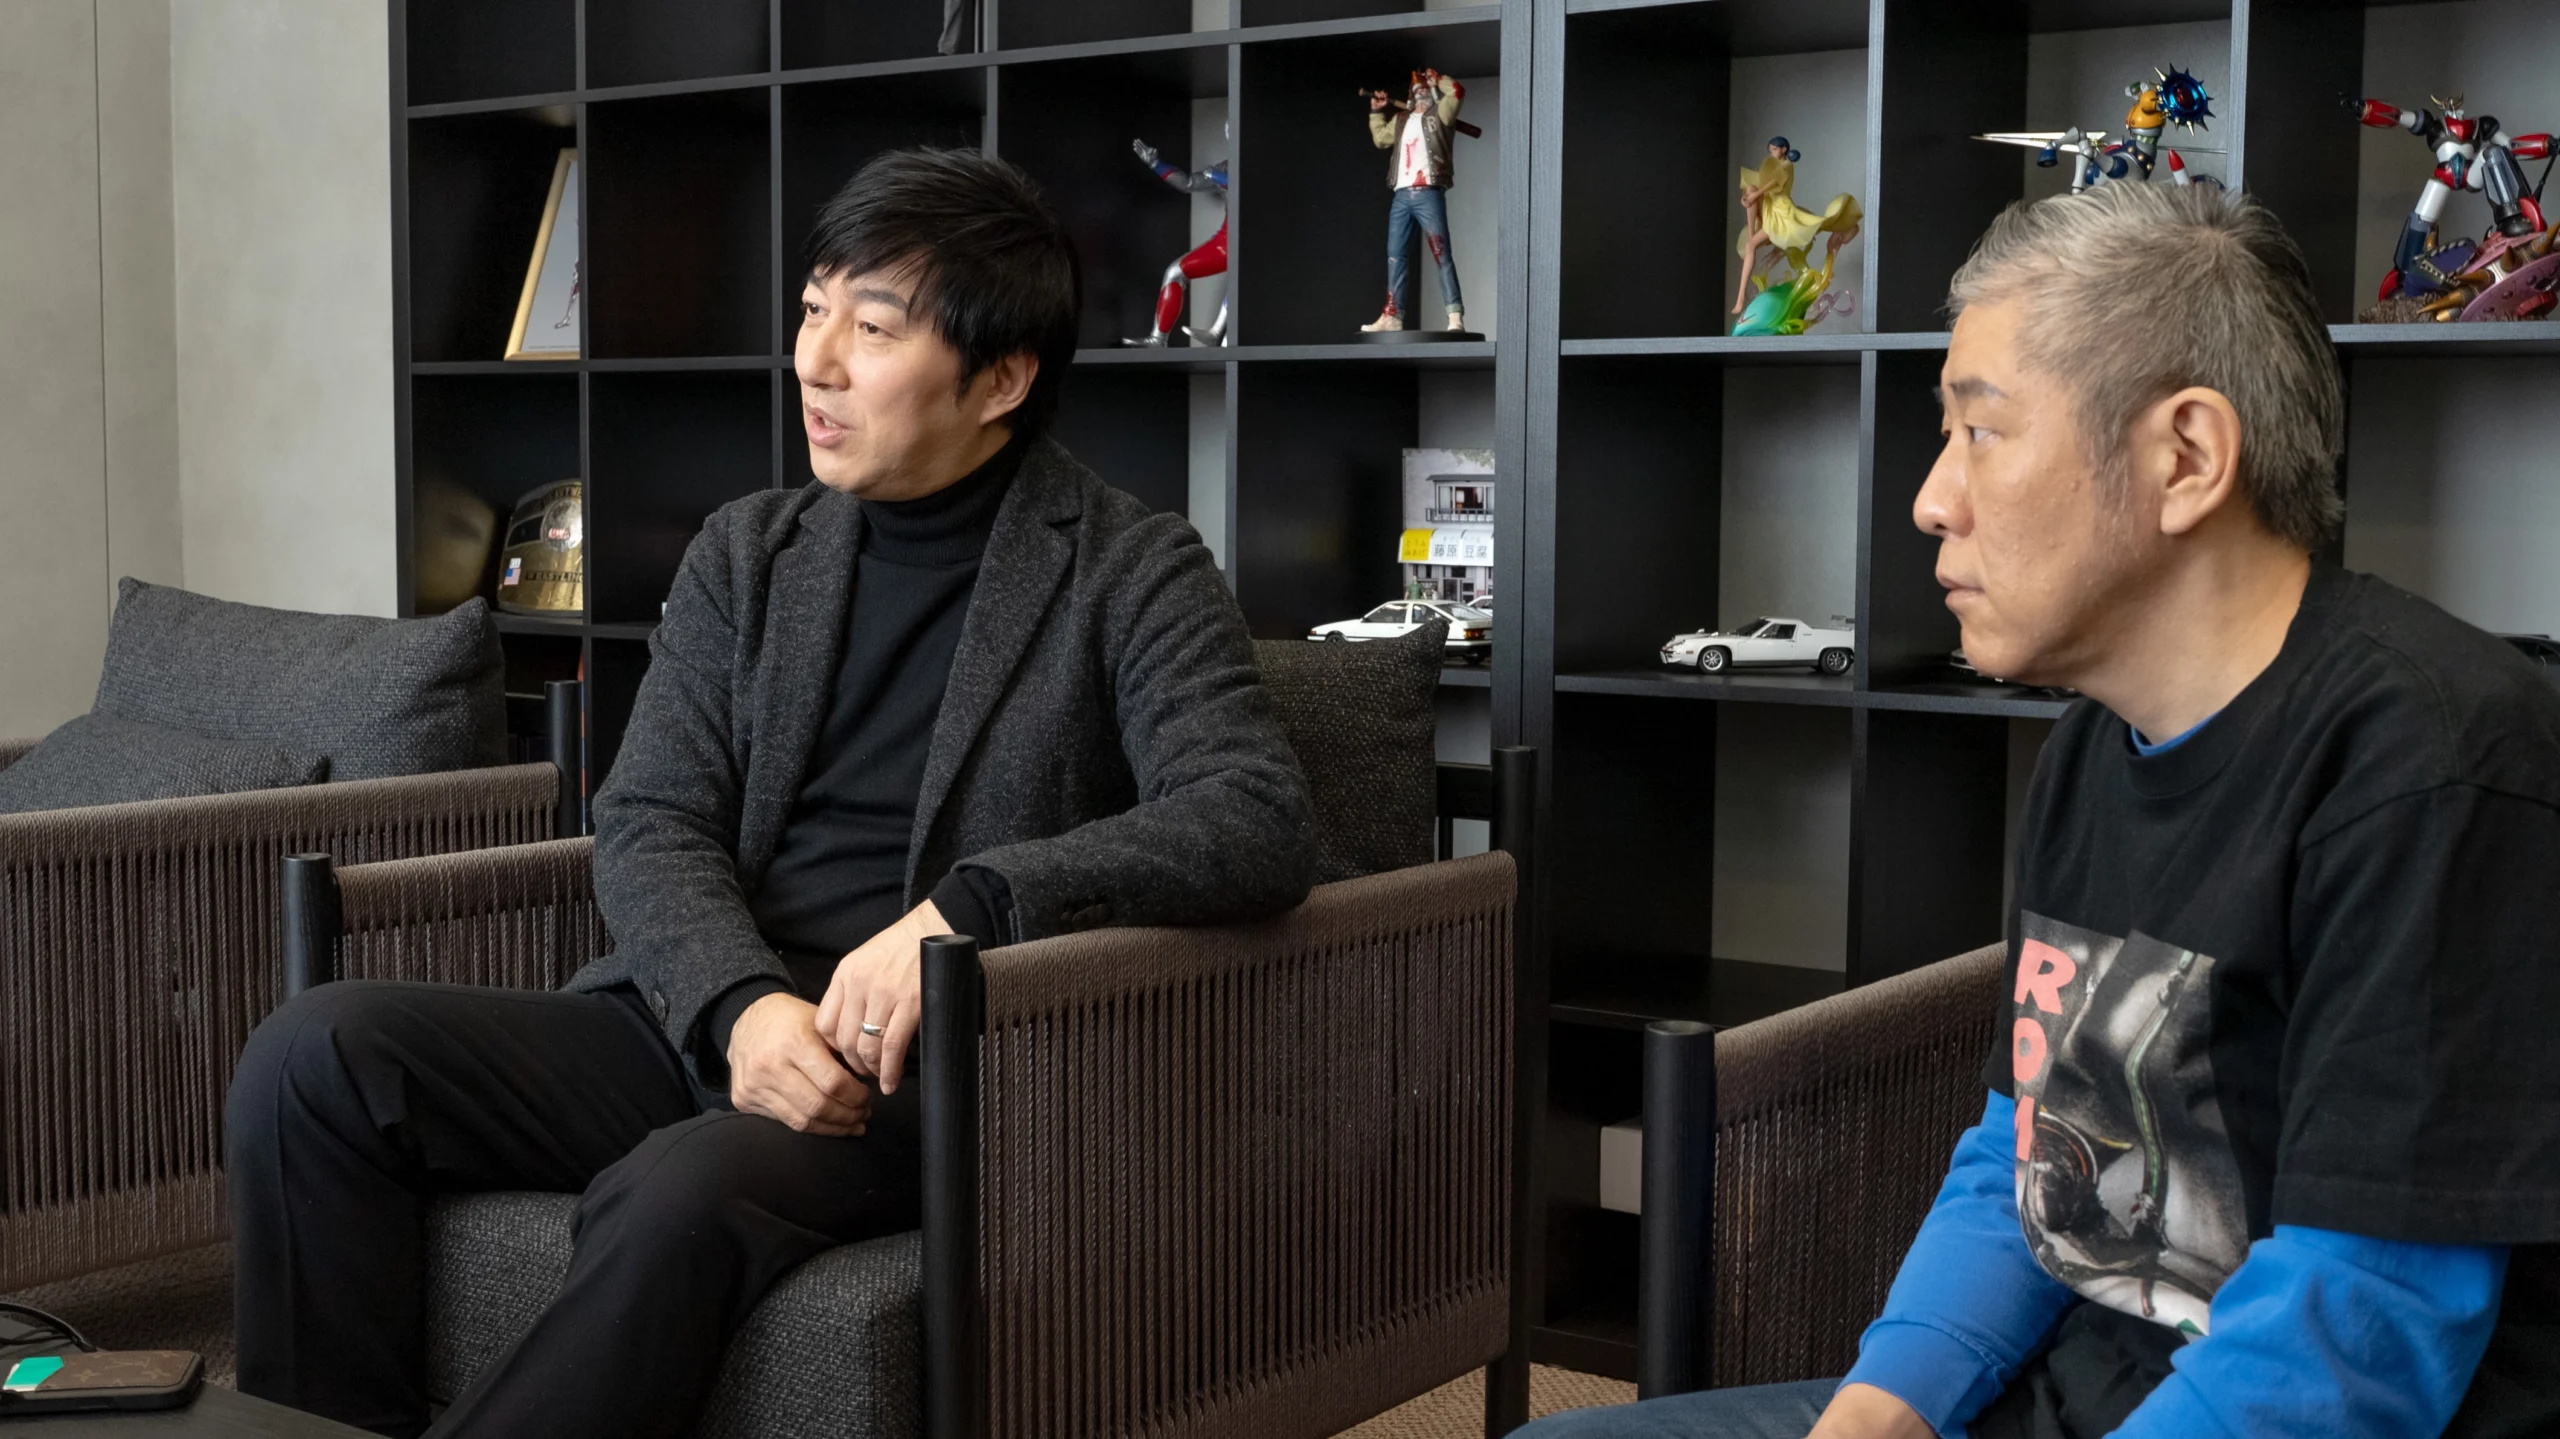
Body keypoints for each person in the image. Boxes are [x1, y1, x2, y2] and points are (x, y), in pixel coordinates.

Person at [225, 147, 1316, 1439]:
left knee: (682, 1185)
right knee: (318, 1053)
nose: (817, 362)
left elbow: (1253, 814)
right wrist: (739, 1008)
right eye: (813, 311)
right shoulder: (752, 550)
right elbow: (652, 814)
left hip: (914, 1071)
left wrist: (973, 904)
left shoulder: (1129, 568)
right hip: (705, 1014)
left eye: (873, 328)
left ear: (1004, 380)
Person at [1522, 185, 2560, 1437]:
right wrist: (1874, 1410)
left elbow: (2364, 1323)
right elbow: (2028, 1145)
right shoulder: (2090, 744)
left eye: (1980, 431)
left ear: (2184, 456)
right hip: (2079, 1391)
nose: (1930, 499)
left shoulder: (2434, 763)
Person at [1361, 67, 1468, 334]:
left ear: (1431, 93)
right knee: (1395, 255)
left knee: (1441, 254)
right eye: (1416, 90)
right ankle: (1392, 315)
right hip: (1401, 195)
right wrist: (1376, 112)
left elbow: (1456, 92)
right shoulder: (1400, 120)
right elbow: (1380, 139)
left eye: (1424, 89)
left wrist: (1438, 79)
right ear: (1410, 96)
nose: (1420, 93)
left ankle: (1455, 315)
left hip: (1428, 193)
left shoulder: (1441, 115)